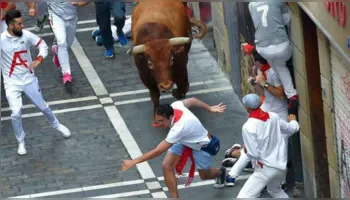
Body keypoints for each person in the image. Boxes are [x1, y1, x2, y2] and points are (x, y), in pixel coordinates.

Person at [121, 97, 227, 198]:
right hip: (183, 139)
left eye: (161, 121)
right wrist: (210, 108)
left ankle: (221, 172)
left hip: (202, 147)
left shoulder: (179, 128)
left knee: (205, 176)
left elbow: (158, 151)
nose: (158, 123)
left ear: (171, 117)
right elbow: (193, 101)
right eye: (157, 120)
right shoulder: (175, 106)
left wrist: (134, 161)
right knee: (166, 166)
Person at [1, 10, 71, 155]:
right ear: (10, 25)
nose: (22, 25)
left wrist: (39, 59)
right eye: (19, 23)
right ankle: (21, 142)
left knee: (43, 107)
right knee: (15, 113)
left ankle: (57, 125)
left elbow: (42, 45)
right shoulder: (1, 40)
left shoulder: (26, 35)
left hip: (29, 79)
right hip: (11, 83)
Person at [226, 47, 290, 191]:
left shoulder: (274, 71)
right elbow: (263, 93)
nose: (253, 64)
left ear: (259, 61)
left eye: (254, 61)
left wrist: (264, 83)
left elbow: (281, 95)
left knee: (282, 146)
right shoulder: (261, 71)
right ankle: (234, 173)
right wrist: (256, 84)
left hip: (279, 113)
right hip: (266, 109)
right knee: (253, 145)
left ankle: (281, 181)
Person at [233, 93, 299, 198]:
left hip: (265, 169)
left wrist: (245, 150)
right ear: (260, 103)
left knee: (244, 197)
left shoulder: (248, 127)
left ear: (247, 108)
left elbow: (253, 153)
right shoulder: (274, 117)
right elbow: (291, 129)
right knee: (276, 191)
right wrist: (294, 121)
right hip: (280, 167)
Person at [247, 2, 298, 115]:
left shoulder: (251, 5)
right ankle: (291, 95)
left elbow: (257, 24)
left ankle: (291, 94)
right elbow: (286, 19)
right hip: (281, 45)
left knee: (277, 65)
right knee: (280, 65)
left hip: (263, 48)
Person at [28, 2, 88, 87]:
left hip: (72, 17)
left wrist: (79, 3)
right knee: (62, 42)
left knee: (67, 46)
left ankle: (57, 50)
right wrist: (32, 7)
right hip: (56, 16)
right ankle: (66, 73)